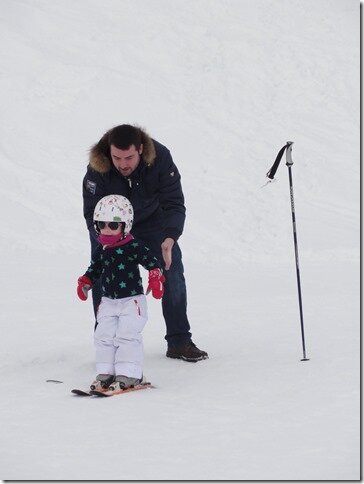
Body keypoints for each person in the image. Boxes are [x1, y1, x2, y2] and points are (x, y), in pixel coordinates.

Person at [82, 124, 208, 362]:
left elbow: (174, 202)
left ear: (140, 149)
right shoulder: (98, 166)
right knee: (102, 278)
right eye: (117, 158)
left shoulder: (160, 158)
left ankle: (179, 341)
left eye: (129, 157)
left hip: (152, 223)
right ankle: (108, 347)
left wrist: (170, 238)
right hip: (111, 229)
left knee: (172, 270)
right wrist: (105, 239)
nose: (123, 164)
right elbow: (92, 212)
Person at [77, 194, 165, 391]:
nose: (107, 229)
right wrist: (86, 281)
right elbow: (95, 268)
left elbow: (152, 263)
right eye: (102, 224)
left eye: (114, 225)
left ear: (126, 225)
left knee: (127, 335)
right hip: (108, 301)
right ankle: (105, 372)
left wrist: (155, 278)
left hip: (131, 301)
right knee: (103, 335)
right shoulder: (102, 248)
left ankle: (130, 374)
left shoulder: (134, 246)